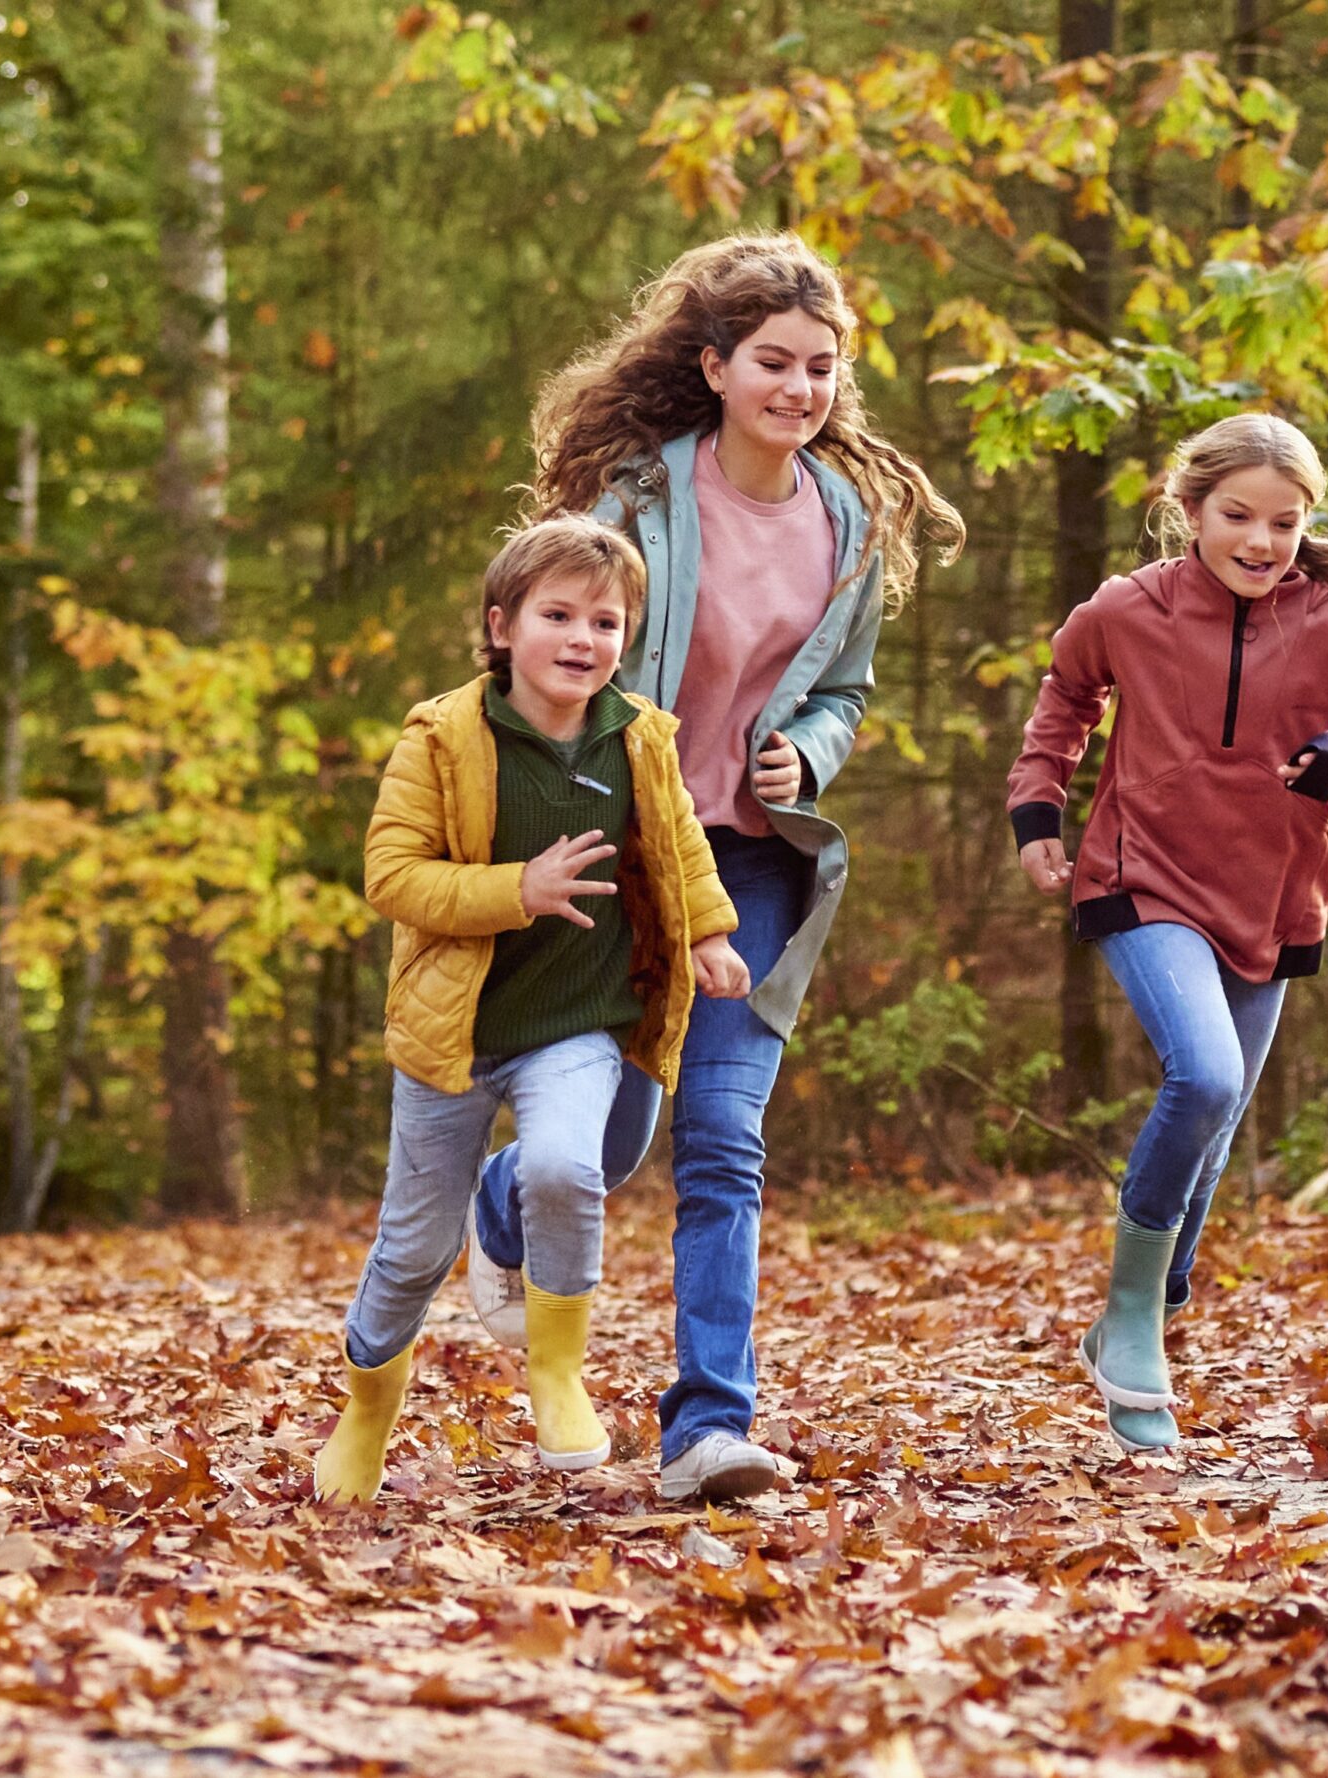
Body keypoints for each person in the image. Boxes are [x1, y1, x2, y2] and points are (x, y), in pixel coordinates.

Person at [463, 233, 964, 1502]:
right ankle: (505, 1205)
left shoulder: (849, 517)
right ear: (716, 367)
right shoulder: (641, 498)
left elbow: (843, 687)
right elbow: (568, 650)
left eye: (821, 367)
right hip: (626, 851)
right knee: (613, 1131)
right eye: (772, 363)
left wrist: (807, 746)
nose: (799, 388)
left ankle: (707, 1423)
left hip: (756, 859)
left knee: (721, 1136)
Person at [315, 516, 749, 1503]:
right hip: (453, 1033)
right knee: (413, 1249)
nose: (582, 638)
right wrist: (518, 887)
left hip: (578, 1019)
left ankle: (555, 1369)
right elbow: (391, 873)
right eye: (558, 614)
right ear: (502, 625)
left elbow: (678, 847)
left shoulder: (637, 738)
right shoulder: (443, 736)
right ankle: (366, 1407)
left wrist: (710, 933)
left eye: (605, 621)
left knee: (564, 1165)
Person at [1006, 412, 1328, 1450]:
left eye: (1286, 521)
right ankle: (1134, 1310)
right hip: (1140, 876)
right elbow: (1063, 701)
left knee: (1216, 1121)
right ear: (1188, 511)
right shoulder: (1125, 609)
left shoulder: (1325, 624)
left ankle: (1154, 1292)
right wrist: (1036, 812)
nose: (1262, 542)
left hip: (1271, 898)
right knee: (1208, 1076)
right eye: (1238, 516)